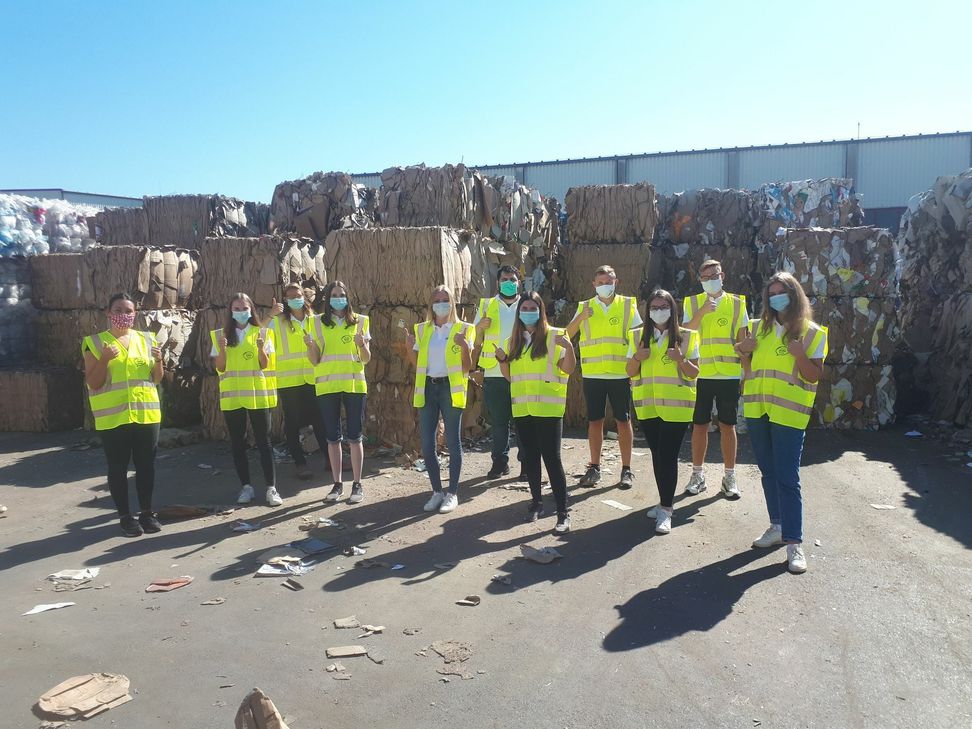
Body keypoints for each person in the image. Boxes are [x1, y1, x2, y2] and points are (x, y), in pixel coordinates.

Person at [735, 272, 827, 574]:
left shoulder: (813, 333)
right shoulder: (756, 329)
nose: (776, 298)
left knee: (788, 477)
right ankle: (776, 525)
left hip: (789, 413)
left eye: (782, 292)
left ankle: (794, 542)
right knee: (768, 472)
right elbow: (748, 369)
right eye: (771, 293)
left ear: (794, 294)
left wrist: (800, 356)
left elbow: (814, 375)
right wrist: (743, 354)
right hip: (758, 409)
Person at [82, 293, 164, 537]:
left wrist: (159, 362)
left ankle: (147, 513)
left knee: (146, 466)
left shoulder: (147, 339)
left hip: (146, 413)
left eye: (128, 311)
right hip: (113, 416)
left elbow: (156, 379)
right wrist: (105, 359)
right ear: (108, 313)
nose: (123, 315)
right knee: (118, 467)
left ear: (135, 314)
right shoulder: (94, 343)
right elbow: (93, 383)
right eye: (117, 310)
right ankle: (125, 517)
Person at [496, 292, 576, 533]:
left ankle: (563, 513)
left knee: (552, 459)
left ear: (541, 311)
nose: (527, 311)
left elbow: (568, 369)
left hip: (549, 408)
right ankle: (536, 503)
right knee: (530, 457)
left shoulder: (556, 335)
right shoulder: (514, 340)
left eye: (532, 308)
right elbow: (511, 377)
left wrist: (570, 348)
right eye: (524, 308)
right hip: (523, 408)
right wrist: (502, 361)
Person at [626, 290, 700, 535]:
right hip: (648, 405)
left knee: (668, 455)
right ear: (648, 311)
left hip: (676, 407)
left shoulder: (687, 336)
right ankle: (663, 501)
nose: (659, 311)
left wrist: (680, 359)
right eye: (654, 307)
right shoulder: (637, 335)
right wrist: (638, 355)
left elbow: (693, 373)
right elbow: (629, 370)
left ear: (672, 309)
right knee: (657, 454)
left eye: (663, 306)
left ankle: (667, 510)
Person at [565, 265, 642, 490]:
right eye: (600, 282)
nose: (604, 286)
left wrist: (633, 369)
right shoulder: (585, 307)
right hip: (593, 373)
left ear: (616, 282)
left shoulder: (628, 305)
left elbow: (638, 337)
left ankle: (626, 469)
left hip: (619, 374)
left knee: (623, 420)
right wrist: (580, 318)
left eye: (608, 282)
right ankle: (594, 467)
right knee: (595, 421)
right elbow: (567, 335)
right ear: (593, 285)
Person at [682, 259, 748, 500]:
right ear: (700, 280)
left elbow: (742, 340)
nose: (711, 280)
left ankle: (729, 476)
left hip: (729, 373)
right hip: (701, 374)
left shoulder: (738, 303)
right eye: (706, 277)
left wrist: (745, 372)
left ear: (723, 276)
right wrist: (701, 312)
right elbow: (685, 333)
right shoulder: (692, 302)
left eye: (715, 275)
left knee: (727, 426)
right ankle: (697, 475)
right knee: (699, 425)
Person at [406, 286, 475, 514]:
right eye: (437, 300)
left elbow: (467, 367)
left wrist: (464, 345)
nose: (441, 303)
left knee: (453, 442)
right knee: (427, 443)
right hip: (427, 388)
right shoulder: (421, 330)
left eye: (446, 299)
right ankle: (437, 492)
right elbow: (417, 365)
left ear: (452, 303)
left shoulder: (465, 329)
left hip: (450, 389)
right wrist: (408, 349)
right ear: (430, 304)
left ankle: (452, 493)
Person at [211, 293, 281, 507]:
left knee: (264, 442)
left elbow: (264, 364)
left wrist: (260, 348)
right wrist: (222, 349)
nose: (241, 312)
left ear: (251, 309)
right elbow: (220, 367)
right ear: (230, 312)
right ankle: (246, 487)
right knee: (237, 443)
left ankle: (271, 488)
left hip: (257, 394)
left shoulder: (263, 333)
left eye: (244, 308)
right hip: (233, 397)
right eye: (237, 308)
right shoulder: (219, 335)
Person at [305, 281, 371, 505]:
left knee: (355, 436)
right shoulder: (316, 323)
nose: (338, 298)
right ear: (327, 298)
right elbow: (314, 360)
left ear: (348, 297)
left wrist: (362, 345)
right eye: (334, 295)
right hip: (327, 385)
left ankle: (357, 484)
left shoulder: (361, 321)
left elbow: (366, 358)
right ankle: (337, 484)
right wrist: (310, 346)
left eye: (342, 294)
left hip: (354, 384)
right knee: (332, 437)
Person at [269, 284, 327, 481]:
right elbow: (257, 334)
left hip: (312, 377)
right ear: (285, 299)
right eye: (291, 296)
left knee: (320, 419)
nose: (295, 299)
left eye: (298, 295)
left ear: (304, 297)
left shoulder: (315, 320)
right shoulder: (277, 322)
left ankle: (330, 458)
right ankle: (300, 463)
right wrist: (270, 314)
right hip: (288, 380)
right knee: (292, 422)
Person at [472, 264, 523, 480]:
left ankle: (527, 464)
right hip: (494, 373)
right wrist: (479, 328)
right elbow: (473, 340)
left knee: (523, 422)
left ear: (519, 281)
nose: (509, 283)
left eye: (512, 279)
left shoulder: (527, 304)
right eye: (505, 279)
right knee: (499, 423)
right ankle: (500, 463)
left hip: (522, 371)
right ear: (497, 282)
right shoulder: (486, 306)